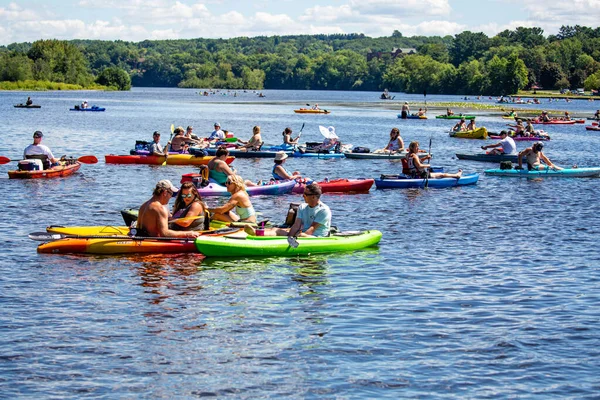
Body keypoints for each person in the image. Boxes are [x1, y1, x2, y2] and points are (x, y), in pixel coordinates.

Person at [244, 182, 331, 238]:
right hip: (302, 234)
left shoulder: (323, 210)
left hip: (316, 237)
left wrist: (299, 237)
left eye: (305, 194)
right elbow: (296, 225)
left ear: (313, 196)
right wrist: (289, 237)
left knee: (303, 235)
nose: (302, 196)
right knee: (276, 230)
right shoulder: (302, 207)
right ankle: (256, 233)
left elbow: (312, 229)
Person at [135, 180, 201, 238]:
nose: (170, 197)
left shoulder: (144, 205)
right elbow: (164, 234)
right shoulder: (160, 208)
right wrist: (187, 234)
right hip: (152, 242)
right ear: (165, 193)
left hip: (141, 237)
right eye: (171, 194)